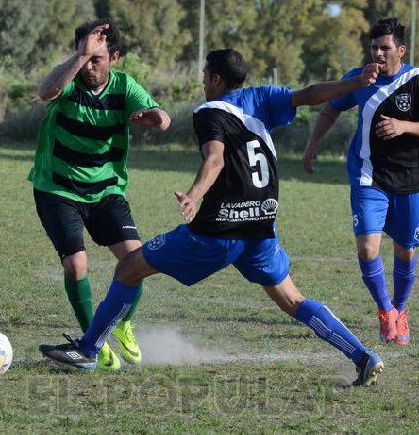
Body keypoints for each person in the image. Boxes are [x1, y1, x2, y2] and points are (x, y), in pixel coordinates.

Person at [40, 48, 387, 386]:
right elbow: (310, 94)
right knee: (293, 300)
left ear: (217, 78)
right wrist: (353, 83)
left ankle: (88, 350)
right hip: (262, 227)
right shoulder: (263, 98)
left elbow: (216, 159)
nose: (203, 80)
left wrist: (194, 194)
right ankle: (361, 355)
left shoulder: (208, 112)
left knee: (129, 268)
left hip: (220, 230)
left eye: (205, 74)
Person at [28, 18, 172, 370]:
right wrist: (79, 57)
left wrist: (154, 118)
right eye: (85, 56)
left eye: (97, 58)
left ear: (115, 57)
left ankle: (121, 324)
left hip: (106, 190)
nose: (90, 66)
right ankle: (91, 339)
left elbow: (164, 117)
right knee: (76, 263)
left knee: (137, 261)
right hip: (57, 188)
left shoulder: (124, 87)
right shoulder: (68, 79)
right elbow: (45, 91)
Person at [302, 17, 419, 346]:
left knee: (405, 250)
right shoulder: (360, 78)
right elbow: (330, 110)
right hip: (368, 176)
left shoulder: (418, 81)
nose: (378, 53)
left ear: (401, 50)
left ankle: (401, 310)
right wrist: (312, 144)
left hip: (409, 179)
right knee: (368, 248)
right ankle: (385, 312)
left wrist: (404, 126)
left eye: (385, 48)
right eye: (374, 47)